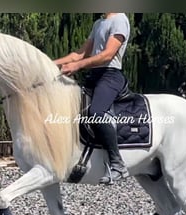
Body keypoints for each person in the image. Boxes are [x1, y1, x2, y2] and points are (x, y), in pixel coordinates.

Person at [53, 13, 130, 185]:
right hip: (94, 76)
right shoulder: (99, 23)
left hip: (110, 75)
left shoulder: (119, 19)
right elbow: (78, 55)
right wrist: (48, 64)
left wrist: (77, 66)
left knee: (96, 112)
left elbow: (107, 55)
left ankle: (117, 163)